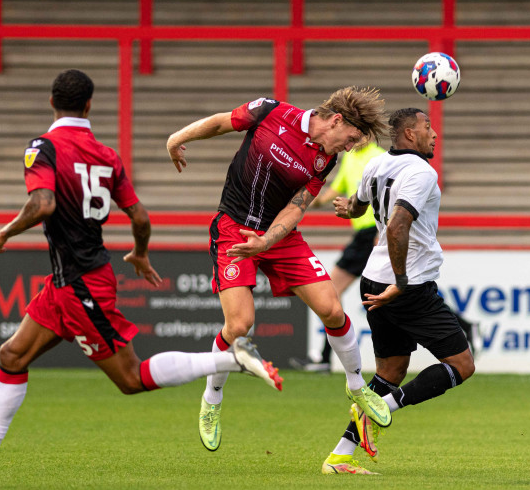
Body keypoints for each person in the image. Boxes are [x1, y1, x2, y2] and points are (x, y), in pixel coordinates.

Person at [0, 69, 281, 483]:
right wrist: (141, 252)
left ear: (50, 102)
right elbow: (139, 215)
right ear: (89, 105)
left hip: (80, 282)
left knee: (131, 379)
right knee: (12, 355)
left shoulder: (43, 147)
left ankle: (231, 359)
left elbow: (42, 204)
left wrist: (2, 233)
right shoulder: (106, 154)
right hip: (68, 281)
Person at [166, 86, 393, 452]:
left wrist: (268, 241)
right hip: (233, 228)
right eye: (351, 138)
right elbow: (221, 122)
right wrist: (177, 138)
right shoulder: (271, 112)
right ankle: (212, 400)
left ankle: (356, 386)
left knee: (332, 308)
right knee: (239, 325)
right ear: (336, 120)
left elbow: (296, 207)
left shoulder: (325, 160)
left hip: (278, 236)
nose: (351, 148)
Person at [321, 107, 475, 475]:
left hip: (373, 278)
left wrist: (346, 209)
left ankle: (340, 456)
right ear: (409, 134)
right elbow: (396, 227)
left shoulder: (376, 165)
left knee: (391, 371)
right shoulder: (421, 172)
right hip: (405, 284)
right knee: (461, 365)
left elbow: (357, 206)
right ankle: (380, 410)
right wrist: (402, 284)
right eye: (427, 127)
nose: (433, 133)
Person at [289, 139, 386, 372]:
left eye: (360, 132)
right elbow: (332, 192)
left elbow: (387, 197)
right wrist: (306, 196)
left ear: (370, 133)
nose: (354, 138)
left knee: (400, 291)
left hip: (377, 231)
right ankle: (324, 358)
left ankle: (324, 358)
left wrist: (383, 233)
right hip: (363, 235)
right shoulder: (350, 157)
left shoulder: (380, 158)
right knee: (333, 290)